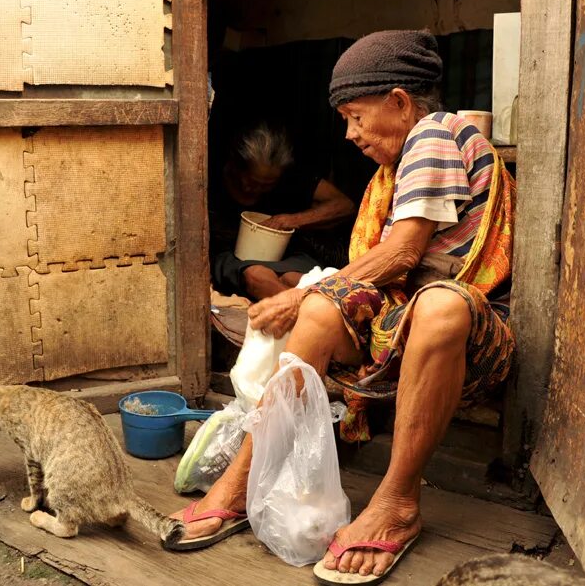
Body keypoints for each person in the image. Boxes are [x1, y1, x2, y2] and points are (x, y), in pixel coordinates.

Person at [170, 30, 517, 584]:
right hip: (401, 323)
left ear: (400, 103)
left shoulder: (433, 135)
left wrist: (300, 290)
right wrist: (313, 298)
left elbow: (402, 254)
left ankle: (398, 503)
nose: (351, 134)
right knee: (324, 313)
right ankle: (240, 482)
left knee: (437, 306)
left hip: (469, 335)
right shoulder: (398, 164)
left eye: (356, 117)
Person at [210, 123, 355, 300]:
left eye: (266, 185)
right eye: (252, 181)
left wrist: (290, 220)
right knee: (257, 276)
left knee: (294, 278)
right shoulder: (212, 176)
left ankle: (318, 316)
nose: (255, 189)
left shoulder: (290, 177)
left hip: (285, 254)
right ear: (235, 166)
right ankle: (310, 316)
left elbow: (344, 205)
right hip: (233, 256)